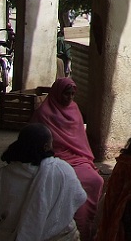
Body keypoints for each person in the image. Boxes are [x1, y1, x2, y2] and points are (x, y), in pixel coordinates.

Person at [0, 123, 87, 240]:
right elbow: (79, 197)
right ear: (46, 146)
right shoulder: (62, 170)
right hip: (60, 236)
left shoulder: (2, 175)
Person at [30, 78, 104, 240]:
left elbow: (80, 141)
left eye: (72, 94)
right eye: (66, 94)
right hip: (55, 159)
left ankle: (85, 225)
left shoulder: (74, 109)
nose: (69, 98)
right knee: (70, 181)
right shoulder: (44, 113)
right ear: (58, 93)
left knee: (96, 180)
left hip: (78, 157)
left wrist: (85, 159)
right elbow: (36, 143)